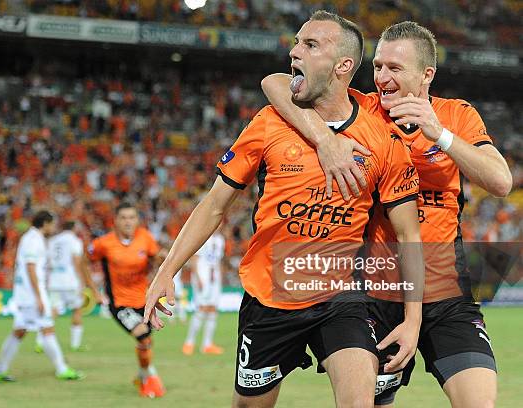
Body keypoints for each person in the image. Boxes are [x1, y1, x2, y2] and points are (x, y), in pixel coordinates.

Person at [145, 11, 425, 408]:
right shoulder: (269, 122)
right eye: (297, 42)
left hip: (340, 296)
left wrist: (413, 320)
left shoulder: (380, 133)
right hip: (270, 295)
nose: (294, 51)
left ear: (343, 65)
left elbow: (409, 234)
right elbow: (213, 206)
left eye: (311, 45)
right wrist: (167, 270)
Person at [260, 20, 512, 408]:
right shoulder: (366, 111)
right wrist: (326, 140)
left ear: (427, 74)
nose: (382, 77)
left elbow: (500, 181)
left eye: (395, 68)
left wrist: (438, 133)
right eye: (378, 66)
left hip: (446, 292)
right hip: (377, 294)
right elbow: (276, 83)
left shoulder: (456, 115)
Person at [0, 211, 84, 382]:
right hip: (31, 295)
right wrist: (39, 297)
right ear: (46, 223)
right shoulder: (33, 240)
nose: (54, 227)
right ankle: (62, 369)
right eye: (52, 224)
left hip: (25, 294)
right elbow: (31, 267)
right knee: (47, 328)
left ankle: (0, 370)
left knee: (19, 332)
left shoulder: (30, 238)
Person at [88, 202, 166, 398]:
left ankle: (141, 375)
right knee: (142, 335)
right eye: (123, 218)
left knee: (146, 342)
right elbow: (82, 260)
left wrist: (161, 259)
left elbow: (156, 258)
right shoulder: (103, 243)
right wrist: (94, 291)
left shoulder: (145, 238)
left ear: (137, 220)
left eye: (131, 217)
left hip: (144, 300)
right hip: (120, 302)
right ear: (115, 221)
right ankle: (150, 378)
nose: (128, 222)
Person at [35, 220, 104, 353]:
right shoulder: (74, 241)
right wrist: (81, 281)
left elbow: (47, 261)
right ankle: (75, 344)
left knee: (52, 312)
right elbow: (77, 262)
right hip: (70, 280)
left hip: (54, 280)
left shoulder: (53, 241)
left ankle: (40, 342)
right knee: (77, 310)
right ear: (73, 228)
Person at [182, 227, 226, 355]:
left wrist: (220, 277)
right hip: (202, 277)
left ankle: (207, 344)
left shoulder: (220, 240)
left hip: (214, 278)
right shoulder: (202, 237)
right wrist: (197, 277)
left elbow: (218, 261)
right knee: (201, 308)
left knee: (212, 309)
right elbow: (194, 259)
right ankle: (189, 343)